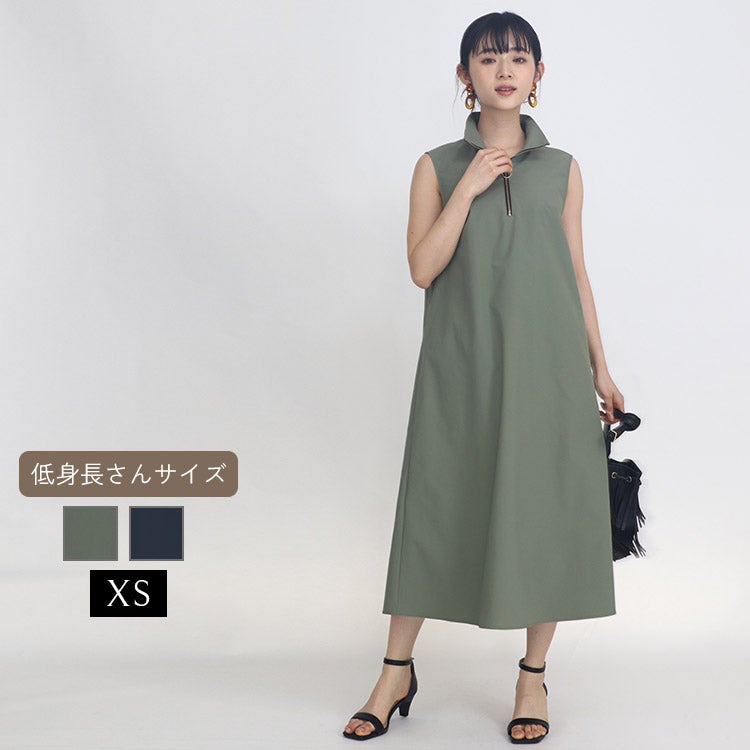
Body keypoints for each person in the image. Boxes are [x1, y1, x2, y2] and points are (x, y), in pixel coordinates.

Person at [343, 10, 624, 744]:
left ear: (538, 74)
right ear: (464, 74)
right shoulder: (436, 166)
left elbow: (575, 272)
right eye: (489, 57)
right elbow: (422, 268)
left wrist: (600, 367)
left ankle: (532, 677)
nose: (505, 70)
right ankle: (395, 670)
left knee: (545, 514)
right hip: (460, 368)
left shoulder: (563, 169)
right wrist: (467, 187)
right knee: (434, 510)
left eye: (519, 57)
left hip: (549, 369)